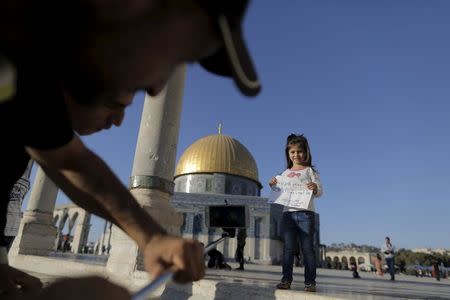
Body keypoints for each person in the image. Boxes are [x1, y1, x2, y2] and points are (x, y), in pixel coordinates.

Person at [0, 1, 261, 299]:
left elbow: (70, 162)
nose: (157, 85)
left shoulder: (28, 78)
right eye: (173, 54)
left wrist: (152, 238)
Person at [269, 134, 323, 292]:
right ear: (288, 154)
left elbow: (319, 191)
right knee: (288, 249)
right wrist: (273, 185)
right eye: (292, 152)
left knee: (308, 249)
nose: (296, 155)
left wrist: (315, 188)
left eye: (299, 151)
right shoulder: (284, 174)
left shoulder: (310, 171)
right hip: (288, 215)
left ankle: (310, 282)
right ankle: (286, 280)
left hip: (306, 214)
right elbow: (280, 192)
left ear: (305, 152)